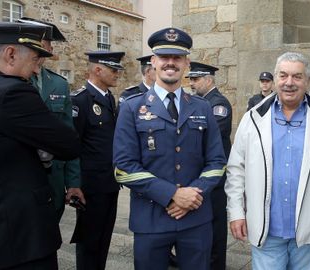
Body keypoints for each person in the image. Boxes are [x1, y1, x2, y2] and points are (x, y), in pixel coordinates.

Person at [113, 27, 227, 270]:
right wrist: (173, 195)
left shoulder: (202, 107)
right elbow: (124, 168)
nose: (170, 63)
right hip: (150, 219)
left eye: (177, 58)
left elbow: (217, 162)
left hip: (196, 218)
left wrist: (192, 195)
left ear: (186, 63)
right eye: (164, 57)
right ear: (153, 62)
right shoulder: (132, 108)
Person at [225, 52, 310, 270]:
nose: (289, 83)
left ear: (308, 81)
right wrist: (235, 212)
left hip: (308, 231)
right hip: (266, 231)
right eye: (283, 76)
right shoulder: (252, 119)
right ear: (275, 79)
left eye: (297, 76)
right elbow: (236, 170)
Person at [0, 22, 80, 270]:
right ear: (10, 54)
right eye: (35, 59)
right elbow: (68, 144)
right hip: (20, 233)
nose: (37, 70)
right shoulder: (14, 92)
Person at [18, 17, 85, 222]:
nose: (47, 47)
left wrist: (73, 182)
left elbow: (68, 134)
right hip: (18, 178)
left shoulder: (58, 84)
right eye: (43, 41)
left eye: (47, 42)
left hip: (53, 178)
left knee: (50, 236)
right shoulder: (9, 81)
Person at [70, 51, 125, 270]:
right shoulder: (80, 100)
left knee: (104, 239)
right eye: (113, 70)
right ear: (97, 69)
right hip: (90, 185)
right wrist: (74, 183)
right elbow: (73, 145)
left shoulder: (108, 98)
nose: (117, 75)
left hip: (109, 182)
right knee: (89, 241)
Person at [187, 61, 232, 270]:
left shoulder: (218, 104)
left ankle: (216, 265)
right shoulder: (198, 103)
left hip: (215, 178)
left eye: (196, 79)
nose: (192, 84)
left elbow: (203, 136)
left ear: (208, 79)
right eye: (191, 79)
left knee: (215, 225)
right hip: (200, 175)